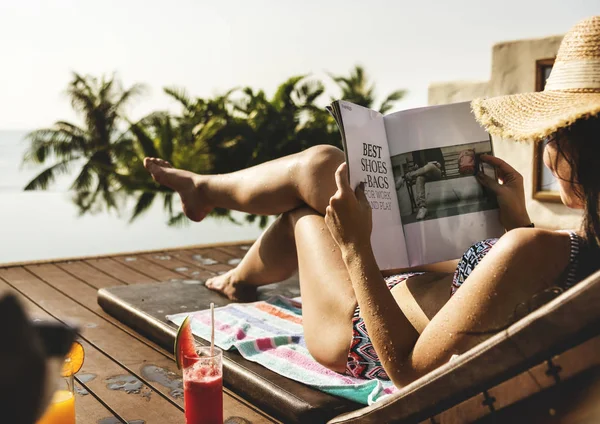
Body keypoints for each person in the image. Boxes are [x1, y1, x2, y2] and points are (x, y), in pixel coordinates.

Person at [143, 15, 600, 387]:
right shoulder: (568, 252)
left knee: (306, 214)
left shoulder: (537, 250)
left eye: (552, 134)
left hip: (356, 335)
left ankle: (221, 236)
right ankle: (224, 244)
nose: (546, 147)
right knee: (323, 168)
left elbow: (411, 372)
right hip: (410, 293)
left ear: (578, 152)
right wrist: (516, 219)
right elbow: (528, 291)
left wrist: (355, 246)